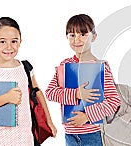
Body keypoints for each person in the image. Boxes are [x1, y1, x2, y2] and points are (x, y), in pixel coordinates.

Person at [0, 17, 57, 145]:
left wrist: (49, 121)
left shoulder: (25, 67)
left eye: (14, 41)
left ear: (20, 42)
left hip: (24, 138)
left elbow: (37, 92)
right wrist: (7, 97)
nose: (9, 47)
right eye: (2, 42)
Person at [45, 14, 121, 146]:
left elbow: (114, 102)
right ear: (66, 37)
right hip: (69, 134)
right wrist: (75, 94)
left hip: (92, 134)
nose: (77, 40)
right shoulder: (65, 65)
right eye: (72, 35)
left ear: (94, 36)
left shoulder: (101, 67)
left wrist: (87, 116)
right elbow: (50, 93)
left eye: (83, 34)